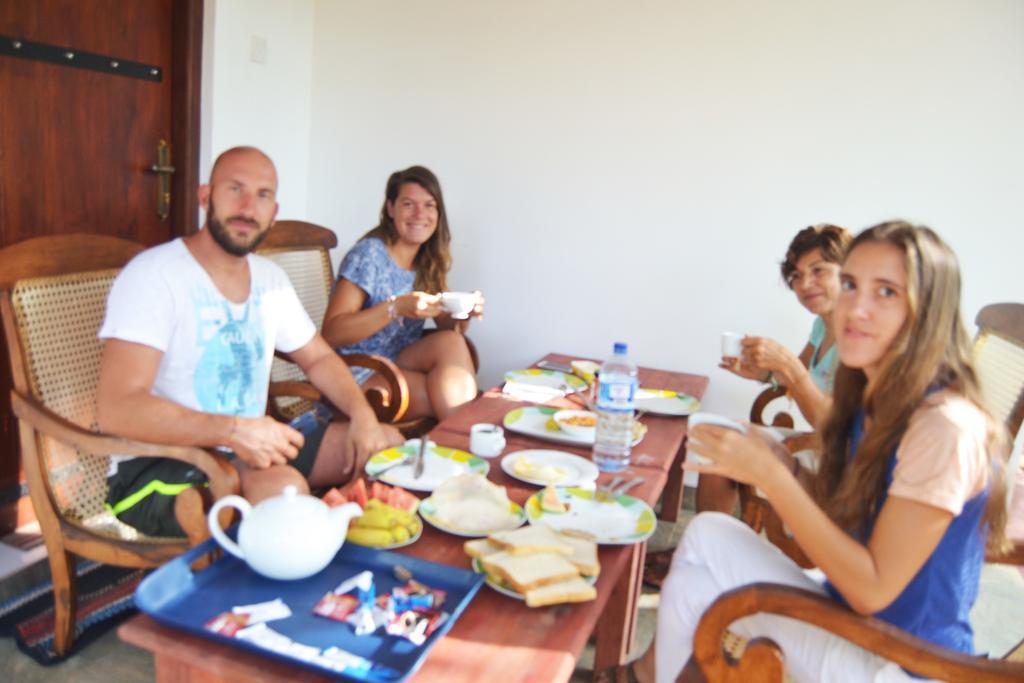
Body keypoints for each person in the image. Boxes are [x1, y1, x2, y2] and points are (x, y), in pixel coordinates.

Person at [635, 221, 1010, 683]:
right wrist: (786, 465)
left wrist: (773, 479)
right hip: (855, 619)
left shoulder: (944, 428)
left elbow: (873, 589)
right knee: (706, 538)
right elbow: (848, 516)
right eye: (851, 284)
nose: (856, 307)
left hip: (900, 662)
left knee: (698, 581)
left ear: (927, 311)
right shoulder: (876, 396)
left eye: (886, 292)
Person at [96, 146, 404, 538]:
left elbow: (319, 360)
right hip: (155, 468)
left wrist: (362, 417)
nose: (247, 206)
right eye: (234, 189)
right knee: (283, 491)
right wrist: (235, 431)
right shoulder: (155, 276)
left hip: (247, 446)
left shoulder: (269, 279)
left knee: (388, 449)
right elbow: (117, 409)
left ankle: (341, 566)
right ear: (205, 196)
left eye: (262, 195)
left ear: (274, 212)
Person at [699, 224, 851, 515]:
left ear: (848, 271)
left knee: (726, 449)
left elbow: (837, 430)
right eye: (796, 276)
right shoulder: (822, 325)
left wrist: (786, 365)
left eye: (818, 270)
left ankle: (713, 548)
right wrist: (764, 374)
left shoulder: (860, 340)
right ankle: (709, 545)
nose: (804, 284)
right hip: (817, 443)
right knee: (718, 438)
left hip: (841, 462)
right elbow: (797, 376)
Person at [321, 165, 483, 421]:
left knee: (452, 344)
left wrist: (463, 312)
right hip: (357, 371)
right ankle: (466, 445)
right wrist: (395, 308)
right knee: (450, 398)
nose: (420, 214)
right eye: (408, 204)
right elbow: (331, 333)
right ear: (390, 208)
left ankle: (461, 444)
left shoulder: (427, 259)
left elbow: (448, 328)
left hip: (398, 361)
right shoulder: (369, 255)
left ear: (438, 213)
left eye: (430, 205)